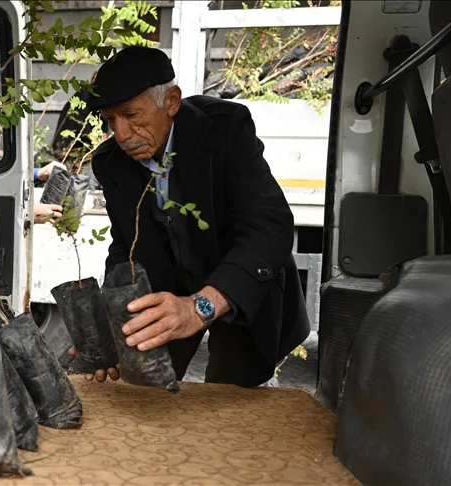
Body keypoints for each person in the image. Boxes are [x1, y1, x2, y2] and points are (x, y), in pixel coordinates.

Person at [83, 46, 310, 387]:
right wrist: (115, 320)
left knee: (230, 395)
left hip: (240, 284)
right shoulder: (111, 162)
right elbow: (125, 247)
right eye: (110, 120)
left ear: (171, 101)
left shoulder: (225, 130)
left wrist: (197, 307)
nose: (121, 134)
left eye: (131, 115)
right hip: (168, 290)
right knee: (147, 389)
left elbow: (269, 228)